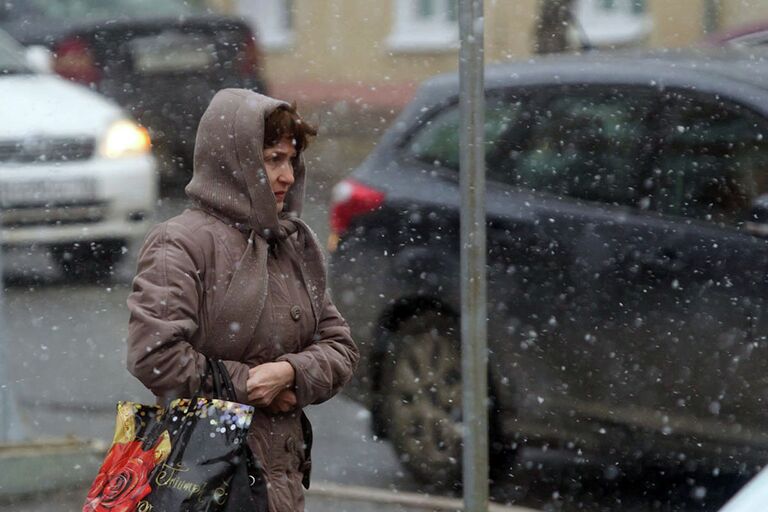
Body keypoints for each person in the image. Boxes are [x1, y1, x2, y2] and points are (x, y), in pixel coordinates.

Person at [125, 89, 359, 511]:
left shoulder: (288, 243)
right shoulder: (180, 243)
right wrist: (247, 384)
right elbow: (154, 355)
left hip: (282, 476)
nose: (287, 175)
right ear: (234, 164)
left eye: (291, 160)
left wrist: (291, 371)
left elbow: (340, 347)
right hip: (203, 478)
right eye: (272, 160)